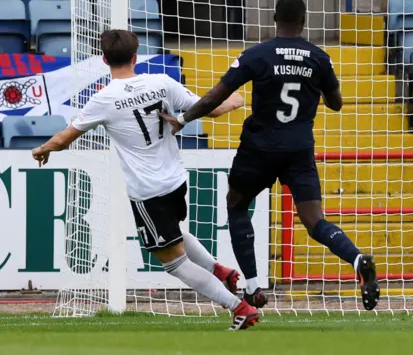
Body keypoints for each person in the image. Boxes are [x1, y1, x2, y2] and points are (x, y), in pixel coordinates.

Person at [161, 0, 381, 311]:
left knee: (236, 206)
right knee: (314, 220)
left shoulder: (257, 55)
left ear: (274, 19)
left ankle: (252, 288)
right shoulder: (318, 57)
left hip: (259, 148)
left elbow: (214, 97)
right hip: (298, 149)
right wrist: (310, 82)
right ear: (304, 22)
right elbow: (336, 103)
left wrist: (182, 119)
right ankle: (358, 258)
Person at [32, 29, 260, 330]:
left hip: (147, 190)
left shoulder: (104, 99)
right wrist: (236, 100)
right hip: (176, 180)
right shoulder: (161, 83)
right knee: (173, 234)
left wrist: (42, 148)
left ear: (104, 60)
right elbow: (211, 107)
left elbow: (65, 138)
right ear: (135, 56)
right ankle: (220, 270)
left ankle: (238, 307)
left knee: (173, 262)